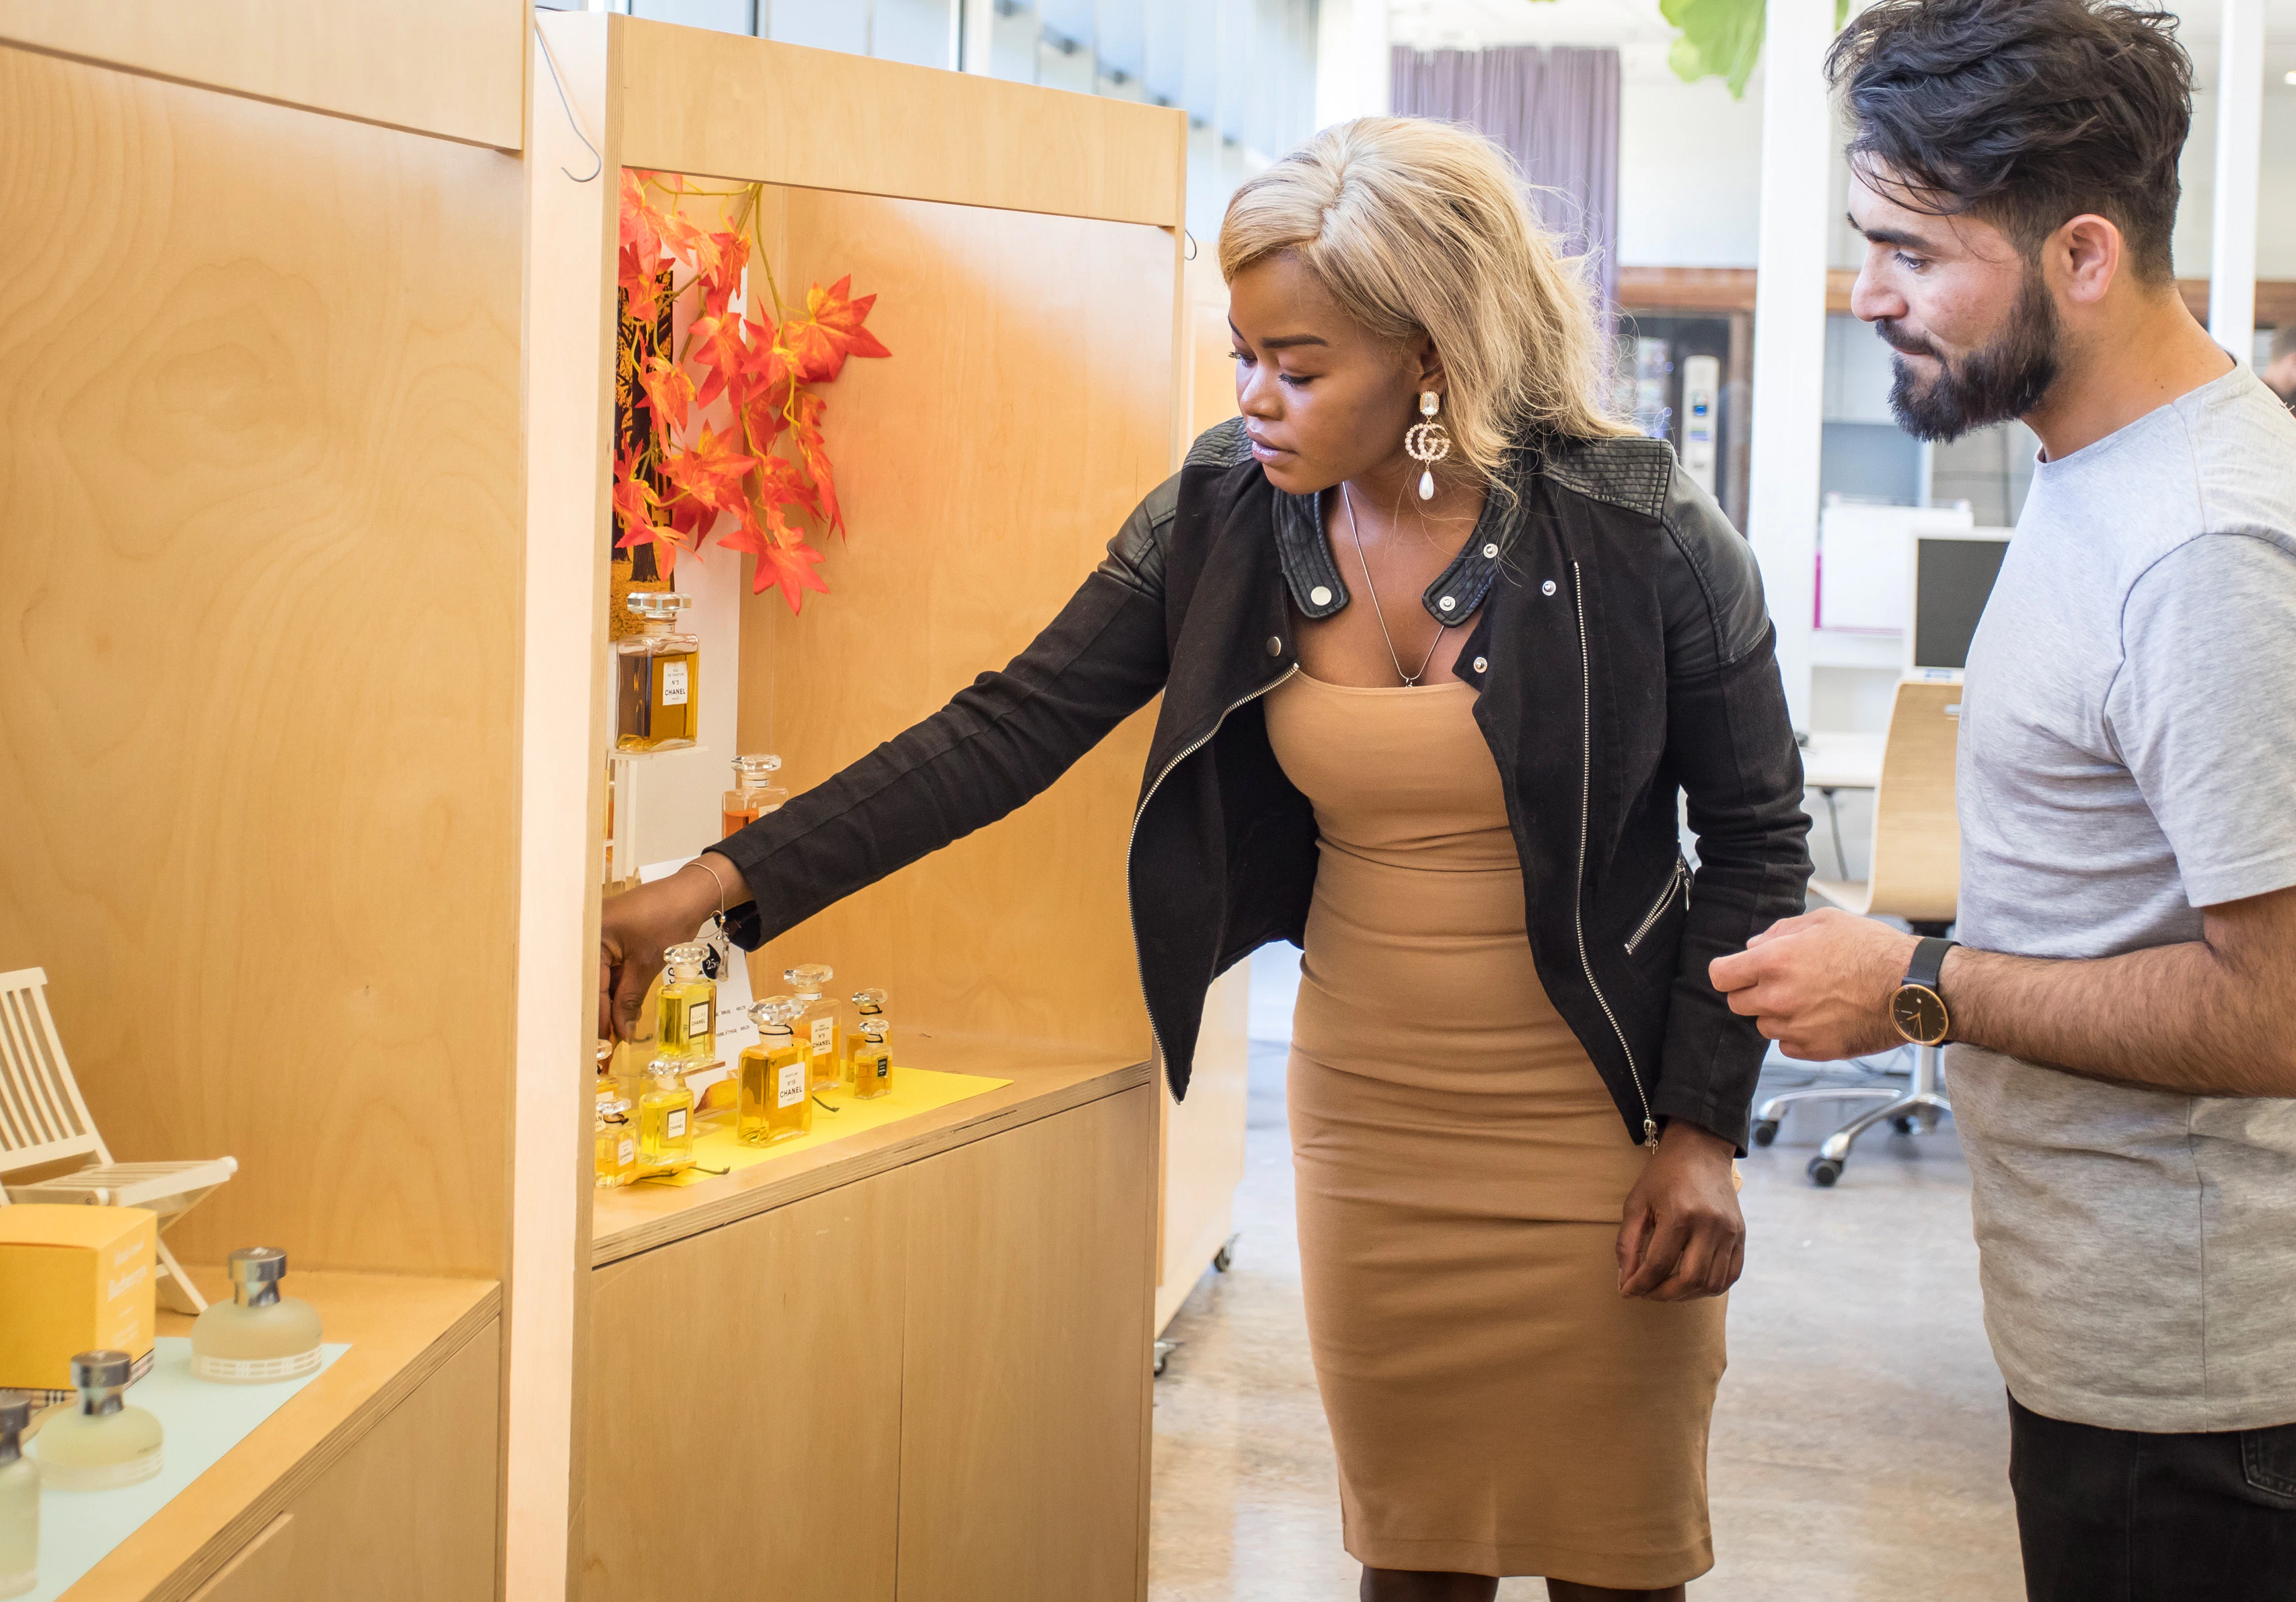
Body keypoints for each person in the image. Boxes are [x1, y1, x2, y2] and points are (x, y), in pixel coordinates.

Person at [599, 115, 1810, 1602]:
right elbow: (1006, 729)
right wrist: (704, 895)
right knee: (1410, 1552)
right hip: (1376, 1114)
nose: (1252, 398)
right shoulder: (1220, 514)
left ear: (1429, 354)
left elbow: (1756, 840)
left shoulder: (1642, 529)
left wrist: (1703, 1129)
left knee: (1616, 1564)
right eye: (1240, 354)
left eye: (1296, 369)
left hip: (1607, 1118)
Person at [1711, 0, 2296, 1602]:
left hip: (2195, 1344)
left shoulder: (2204, 548)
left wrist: (1913, 986)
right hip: (2122, 1309)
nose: (1869, 292)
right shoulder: (2104, 466)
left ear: (2080, 254)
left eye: (1907, 252)